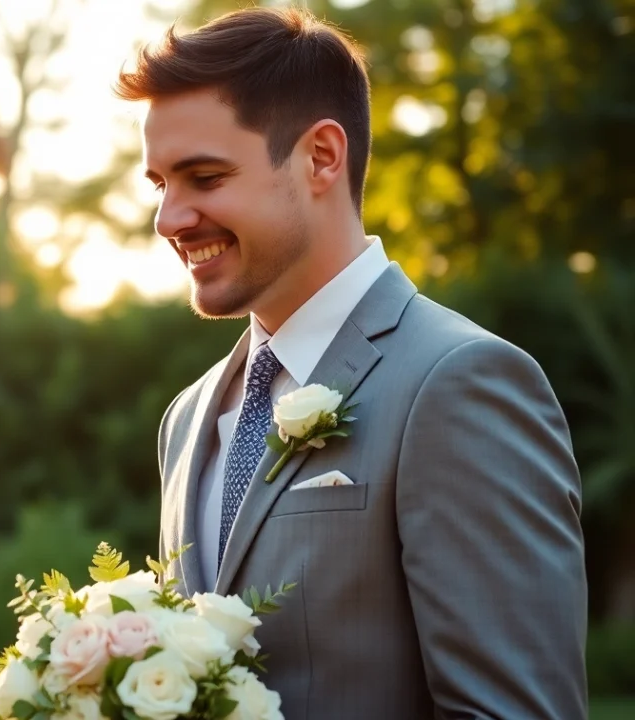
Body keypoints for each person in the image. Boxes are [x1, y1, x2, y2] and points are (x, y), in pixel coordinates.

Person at [117, 6, 587, 719]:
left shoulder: (461, 383)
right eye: (160, 185)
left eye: (204, 178)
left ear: (322, 157)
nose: (169, 218)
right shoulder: (188, 418)